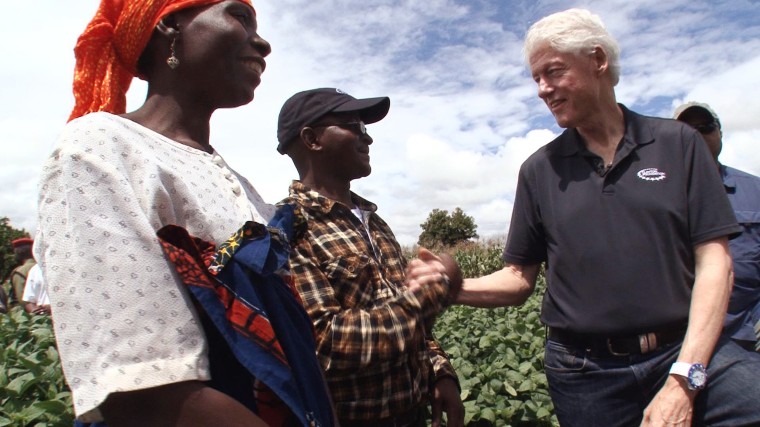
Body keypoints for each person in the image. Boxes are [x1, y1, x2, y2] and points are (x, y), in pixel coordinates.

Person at [456, 8, 760, 427]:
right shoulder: (539, 170)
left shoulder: (679, 144)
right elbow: (517, 278)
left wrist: (683, 380)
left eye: (553, 72)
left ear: (598, 60)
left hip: (682, 348)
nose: (543, 89)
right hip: (585, 373)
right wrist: (450, 287)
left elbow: (716, 263)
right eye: (536, 79)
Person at [34, 1, 332, 425]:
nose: (262, 43)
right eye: (239, 17)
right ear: (170, 24)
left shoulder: (235, 179)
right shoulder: (101, 148)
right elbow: (145, 393)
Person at [276, 87, 465, 427]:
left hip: (414, 413)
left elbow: (408, 316)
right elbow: (325, 343)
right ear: (312, 139)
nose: (368, 139)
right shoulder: (291, 228)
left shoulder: (374, 222)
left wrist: (439, 371)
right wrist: (433, 292)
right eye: (355, 126)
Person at [674, 102, 760, 352]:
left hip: (745, 337)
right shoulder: (653, 194)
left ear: (720, 132)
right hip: (675, 344)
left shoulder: (755, 191)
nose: (697, 135)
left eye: (705, 127)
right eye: (687, 130)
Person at [6, 237, 35, 308]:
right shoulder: (43, 267)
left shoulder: (19, 271)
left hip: (30, 315)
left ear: (20, 252)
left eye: (14, 252)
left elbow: (23, 299)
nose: (13, 255)